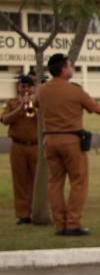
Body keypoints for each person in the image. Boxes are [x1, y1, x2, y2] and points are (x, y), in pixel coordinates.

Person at [36, 53, 100, 235]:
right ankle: (73, 223)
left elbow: (32, 106)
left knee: (55, 182)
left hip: (50, 140)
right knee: (78, 182)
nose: (72, 68)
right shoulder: (74, 91)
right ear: (64, 70)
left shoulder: (42, 90)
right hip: (71, 141)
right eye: (70, 66)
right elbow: (96, 109)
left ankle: (59, 225)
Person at [2, 75, 39, 224]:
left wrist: (31, 104)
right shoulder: (11, 103)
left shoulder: (38, 103)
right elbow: (5, 120)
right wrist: (20, 107)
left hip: (35, 146)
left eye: (29, 87)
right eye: (23, 86)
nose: (26, 89)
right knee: (20, 181)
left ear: (33, 88)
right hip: (18, 146)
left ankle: (36, 211)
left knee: (37, 181)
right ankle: (23, 214)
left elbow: (39, 118)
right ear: (19, 87)